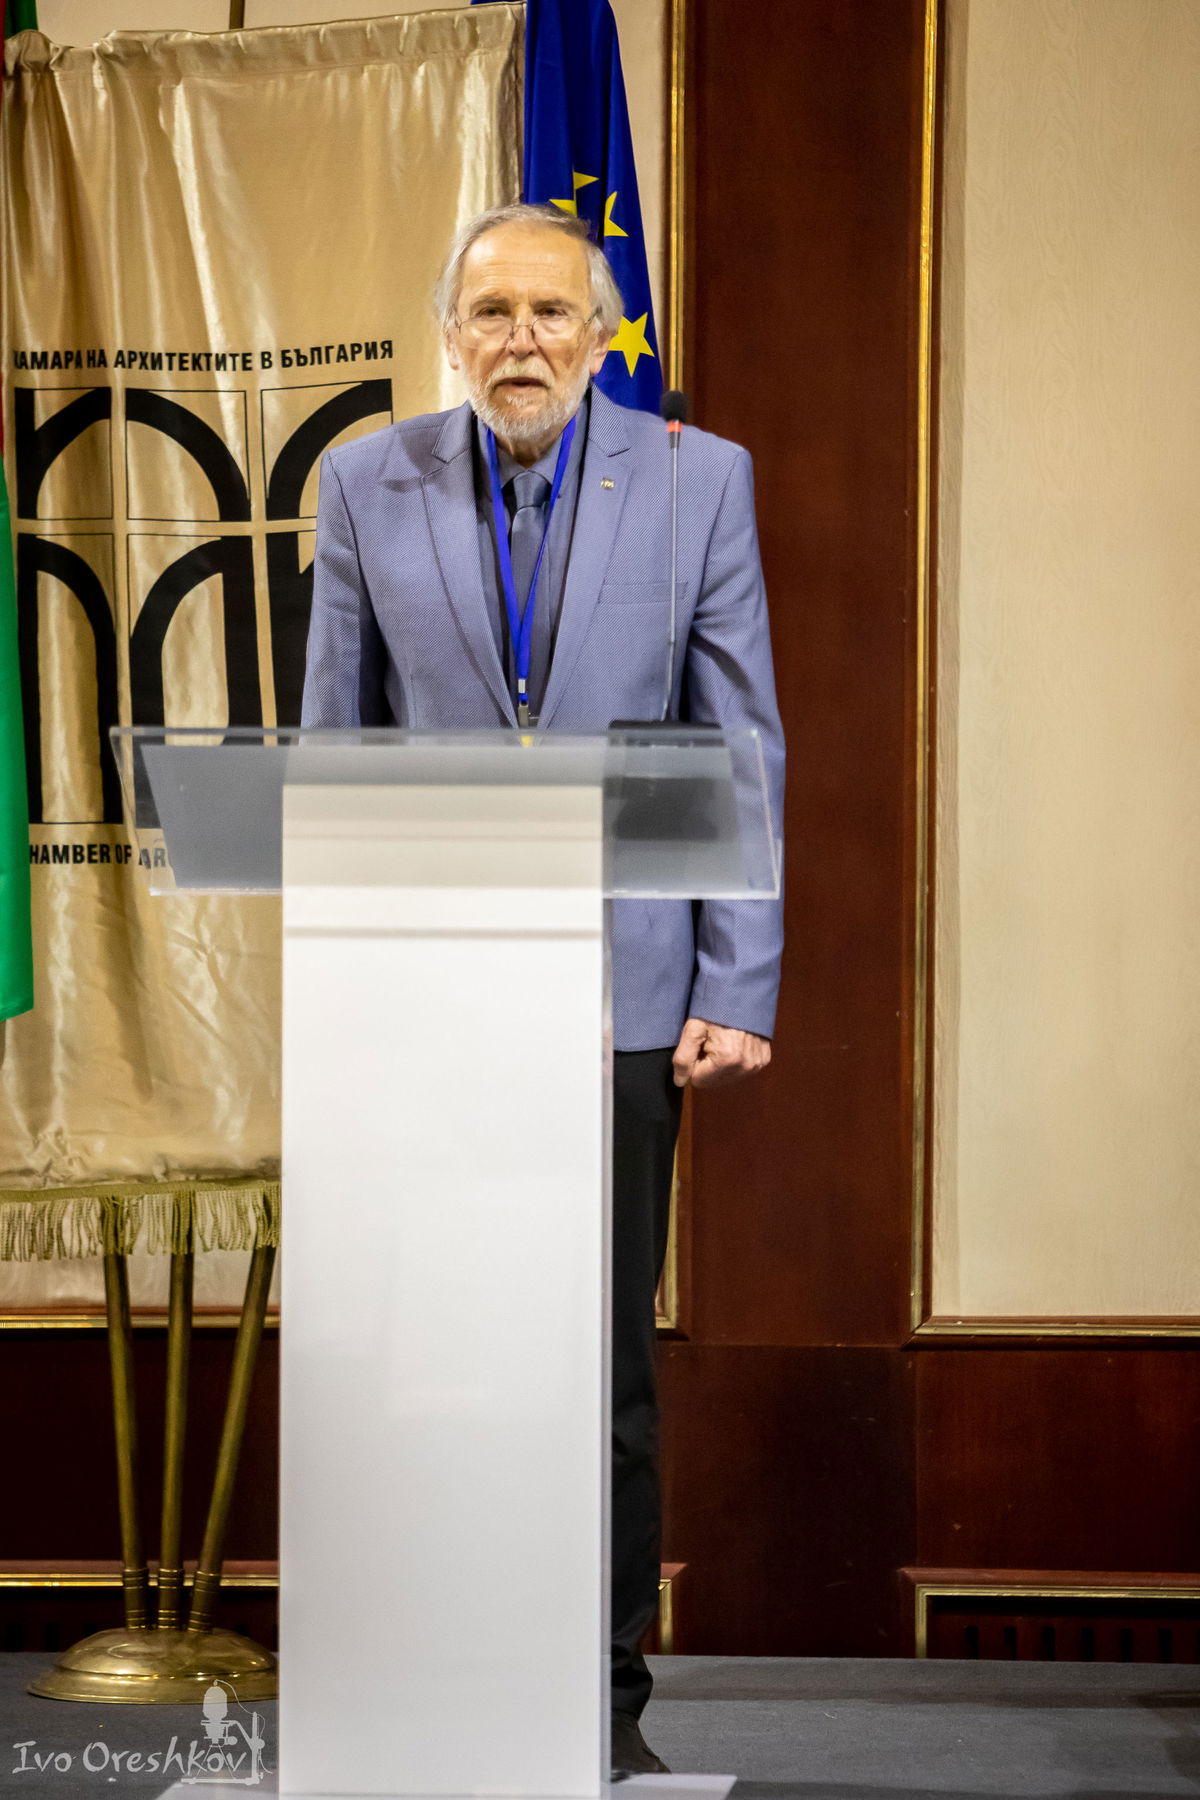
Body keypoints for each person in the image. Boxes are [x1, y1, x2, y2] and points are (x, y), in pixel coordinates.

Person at [302, 201, 784, 1777]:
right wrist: (354, 985)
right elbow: (336, 750)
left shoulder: (701, 481)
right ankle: (444, 1683)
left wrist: (739, 978)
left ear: (599, 335)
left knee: (599, 1372)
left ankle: (597, 1709)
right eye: (494, 313)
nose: (523, 341)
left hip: (624, 1006)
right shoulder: (363, 481)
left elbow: (738, 738)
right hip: (434, 1004)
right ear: (451, 335)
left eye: (552, 313)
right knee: (439, 1360)